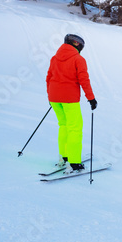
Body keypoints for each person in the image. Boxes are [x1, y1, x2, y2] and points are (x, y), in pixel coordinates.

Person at [46, 34, 97, 173]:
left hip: (54, 98)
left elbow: (49, 78)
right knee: (74, 129)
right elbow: (84, 80)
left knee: (63, 126)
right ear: (78, 46)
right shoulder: (78, 59)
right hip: (69, 100)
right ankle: (74, 162)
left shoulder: (55, 58)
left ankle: (64, 157)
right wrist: (91, 98)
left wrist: (50, 95)